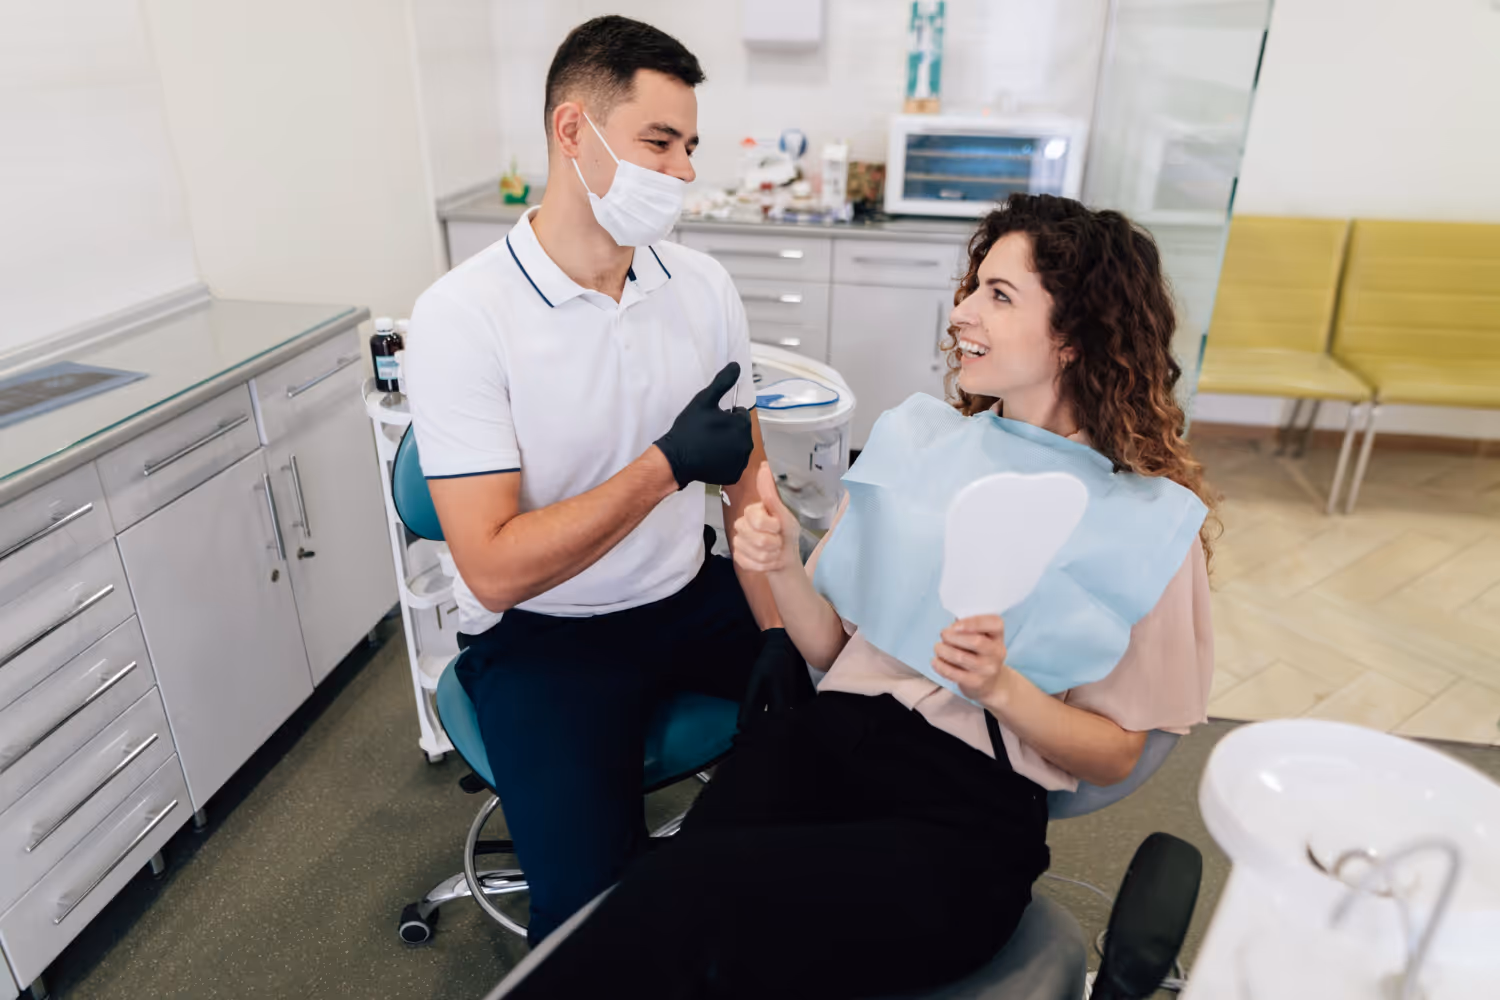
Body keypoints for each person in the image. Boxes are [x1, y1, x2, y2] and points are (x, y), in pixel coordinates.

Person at [492, 193, 1219, 998]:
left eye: (999, 295)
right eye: (973, 285)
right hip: (822, 743)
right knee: (666, 906)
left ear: (1076, 337)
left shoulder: (1145, 523)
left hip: (964, 815)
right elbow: (834, 649)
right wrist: (778, 569)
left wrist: (999, 689)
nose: (962, 311)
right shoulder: (921, 445)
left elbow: (1115, 752)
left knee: (684, 903)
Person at [403, 16, 800, 945]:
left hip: (686, 594)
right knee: (588, 933)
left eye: (689, 145)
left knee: (850, 729)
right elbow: (495, 570)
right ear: (572, 132)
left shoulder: (702, 288)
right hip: (544, 636)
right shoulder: (464, 316)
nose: (683, 171)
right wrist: (663, 468)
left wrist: (782, 625)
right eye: (658, 142)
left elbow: (748, 485)